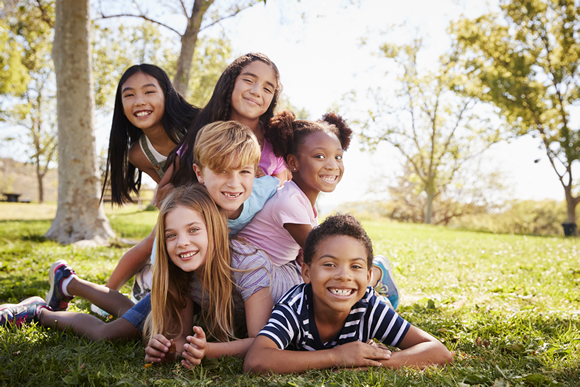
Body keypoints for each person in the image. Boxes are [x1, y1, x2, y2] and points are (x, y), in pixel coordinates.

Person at [0, 185, 284, 368]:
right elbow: (179, 336)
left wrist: (204, 350)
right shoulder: (179, 272)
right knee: (116, 331)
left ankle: (68, 282)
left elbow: (260, 341)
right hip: (196, 302)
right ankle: (40, 311)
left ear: (215, 229)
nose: (182, 243)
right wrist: (167, 348)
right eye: (172, 235)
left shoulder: (248, 267)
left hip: (256, 305)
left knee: (134, 316)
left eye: (194, 230)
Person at [243, 214, 453, 374]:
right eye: (329, 264)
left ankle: (382, 276)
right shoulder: (295, 306)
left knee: (384, 306)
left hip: (368, 300)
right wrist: (338, 356)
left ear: (367, 274)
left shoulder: (368, 305)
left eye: (356, 266)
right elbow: (256, 360)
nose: (344, 275)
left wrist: (374, 362)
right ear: (306, 272)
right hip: (338, 304)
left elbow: (438, 351)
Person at [237, 110, 400, 308]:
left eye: (338, 157)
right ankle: (374, 274)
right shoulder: (288, 201)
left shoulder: (303, 202)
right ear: (293, 163)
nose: (332, 165)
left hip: (271, 272)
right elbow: (324, 254)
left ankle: (373, 276)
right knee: (329, 280)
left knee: (335, 278)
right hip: (255, 272)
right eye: (320, 156)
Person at [105, 120, 284, 299]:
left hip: (210, 266)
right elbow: (161, 258)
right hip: (167, 273)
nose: (234, 183)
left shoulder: (265, 190)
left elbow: (290, 203)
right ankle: (120, 288)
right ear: (199, 174)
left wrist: (300, 248)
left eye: (244, 172)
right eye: (222, 171)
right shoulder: (188, 210)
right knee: (136, 318)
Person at [102, 63, 199, 205]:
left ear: (167, 96)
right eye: (129, 95)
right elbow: (170, 197)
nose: (139, 102)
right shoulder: (139, 155)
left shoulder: (198, 126)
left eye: (149, 92)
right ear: (121, 107)